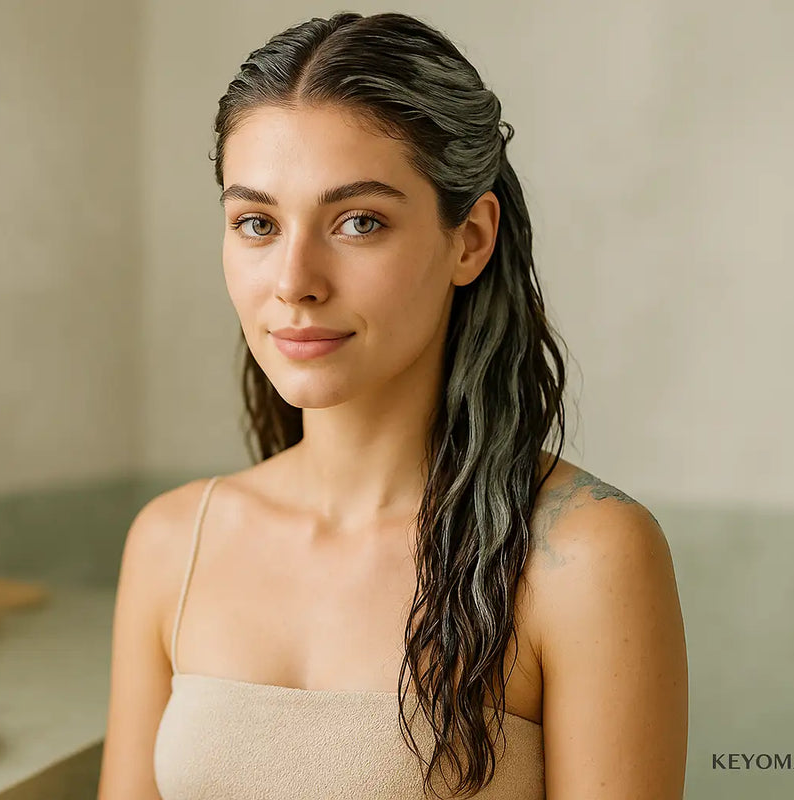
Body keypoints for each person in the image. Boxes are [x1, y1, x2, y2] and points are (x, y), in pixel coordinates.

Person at [98, 11, 688, 799]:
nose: (294, 279)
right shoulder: (173, 543)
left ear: (470, 240)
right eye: (257, 223)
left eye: (359, 221)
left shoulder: (585, 557)